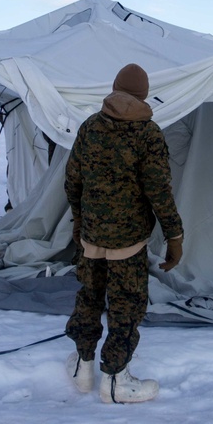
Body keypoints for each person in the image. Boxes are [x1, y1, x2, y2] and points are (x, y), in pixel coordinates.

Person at [64, 63, 184, 404]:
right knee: (126, 306)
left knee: (89, 297)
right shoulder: (148, 134)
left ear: (114, 88)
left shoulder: (91, 126)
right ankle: (115, 380)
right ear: (144, 95)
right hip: (128, 243)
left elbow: (73, 179)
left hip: (91, 236)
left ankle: (83, 366)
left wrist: (78, 219)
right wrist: (175, 236)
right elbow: (159, 192)